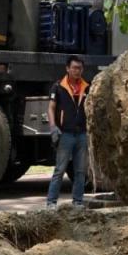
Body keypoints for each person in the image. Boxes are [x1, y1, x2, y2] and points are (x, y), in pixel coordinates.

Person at [46, 55, 89, 209]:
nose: (78, 71)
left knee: (80, 170)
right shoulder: (58, 87)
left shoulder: (87, 86)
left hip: (82, 134)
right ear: (68, 68)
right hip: (65, 134)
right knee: (60, 169)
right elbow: (51, 108)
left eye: (80, 68)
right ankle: (51, 202)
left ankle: (78, 202)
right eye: (75, 68)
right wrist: (53, 127)